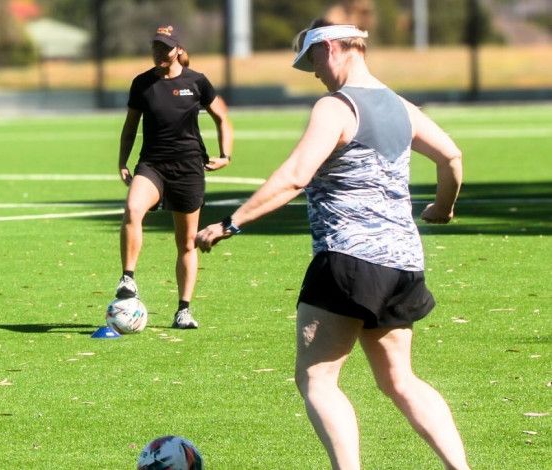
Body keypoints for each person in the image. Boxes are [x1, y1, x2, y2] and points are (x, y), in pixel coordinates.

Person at [196, 20, 470, 470]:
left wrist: (232, 222)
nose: (314, 74)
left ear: (331, 48)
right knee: (400, 379)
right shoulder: (401, 107)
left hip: (348, 259)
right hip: (402, 263)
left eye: (312, 62)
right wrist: (443, 207)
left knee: (318, 378)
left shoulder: (336, 107)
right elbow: (452, 157)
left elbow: (296, 176)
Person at [116, 25, 233, 329]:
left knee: (186, 243)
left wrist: (226, 154)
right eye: (154, 47)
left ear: (178, 49)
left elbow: (222, 118)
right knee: (132, 209)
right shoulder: (142, 83)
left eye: (164, 48)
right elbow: (130, 127)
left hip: (188, 168)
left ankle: (183, 309)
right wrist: (123, 161)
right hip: (152, 164)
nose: (158, 53)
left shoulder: (197, 82)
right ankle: (127, 279)